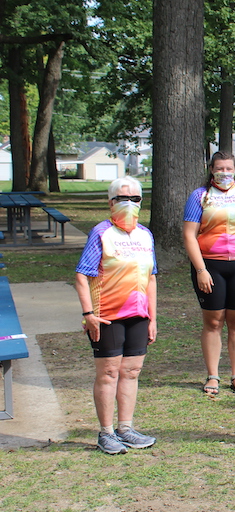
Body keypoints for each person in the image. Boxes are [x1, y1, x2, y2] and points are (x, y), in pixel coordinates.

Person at [75, 176, 158, 455]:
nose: (130, 204)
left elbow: (152, 278)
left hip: (138, 315)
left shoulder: (145, 235)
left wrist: (152, 318)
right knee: (109, 373)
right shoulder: (101, 232)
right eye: (123, 198)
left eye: (135, 199)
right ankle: (106, 432)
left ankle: (126, 428)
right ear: (111, 202)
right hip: (107, 315)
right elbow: (82, 275)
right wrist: (89, 314)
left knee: (131, 371)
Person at [183, 151, 235, 396]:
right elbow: (189, 235)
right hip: (210, 266)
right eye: (220, 169)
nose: (225, 173)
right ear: (211, 170)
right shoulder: (200, 196)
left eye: (229, 169)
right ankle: (212, 376)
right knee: (213, 322)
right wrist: (201, 270)